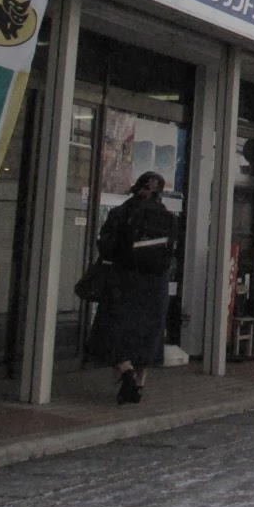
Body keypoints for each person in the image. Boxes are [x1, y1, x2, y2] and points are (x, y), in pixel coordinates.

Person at [87, 172, 176, 404]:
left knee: (115, 329)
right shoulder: (168, 216)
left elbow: (106, 246)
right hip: (156, 284)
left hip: (125, 280)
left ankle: (125, 370)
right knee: (148, 334)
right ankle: (139, 384)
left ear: (137, 188)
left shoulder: (121, 212)